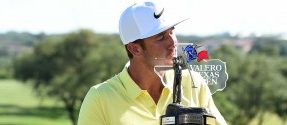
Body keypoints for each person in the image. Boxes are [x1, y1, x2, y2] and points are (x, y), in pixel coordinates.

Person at [78, 1, 227, 125]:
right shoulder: (99, 99)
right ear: (135, 48)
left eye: (172, 32)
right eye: (161, 37)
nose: (173, 43)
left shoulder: (194, 83)